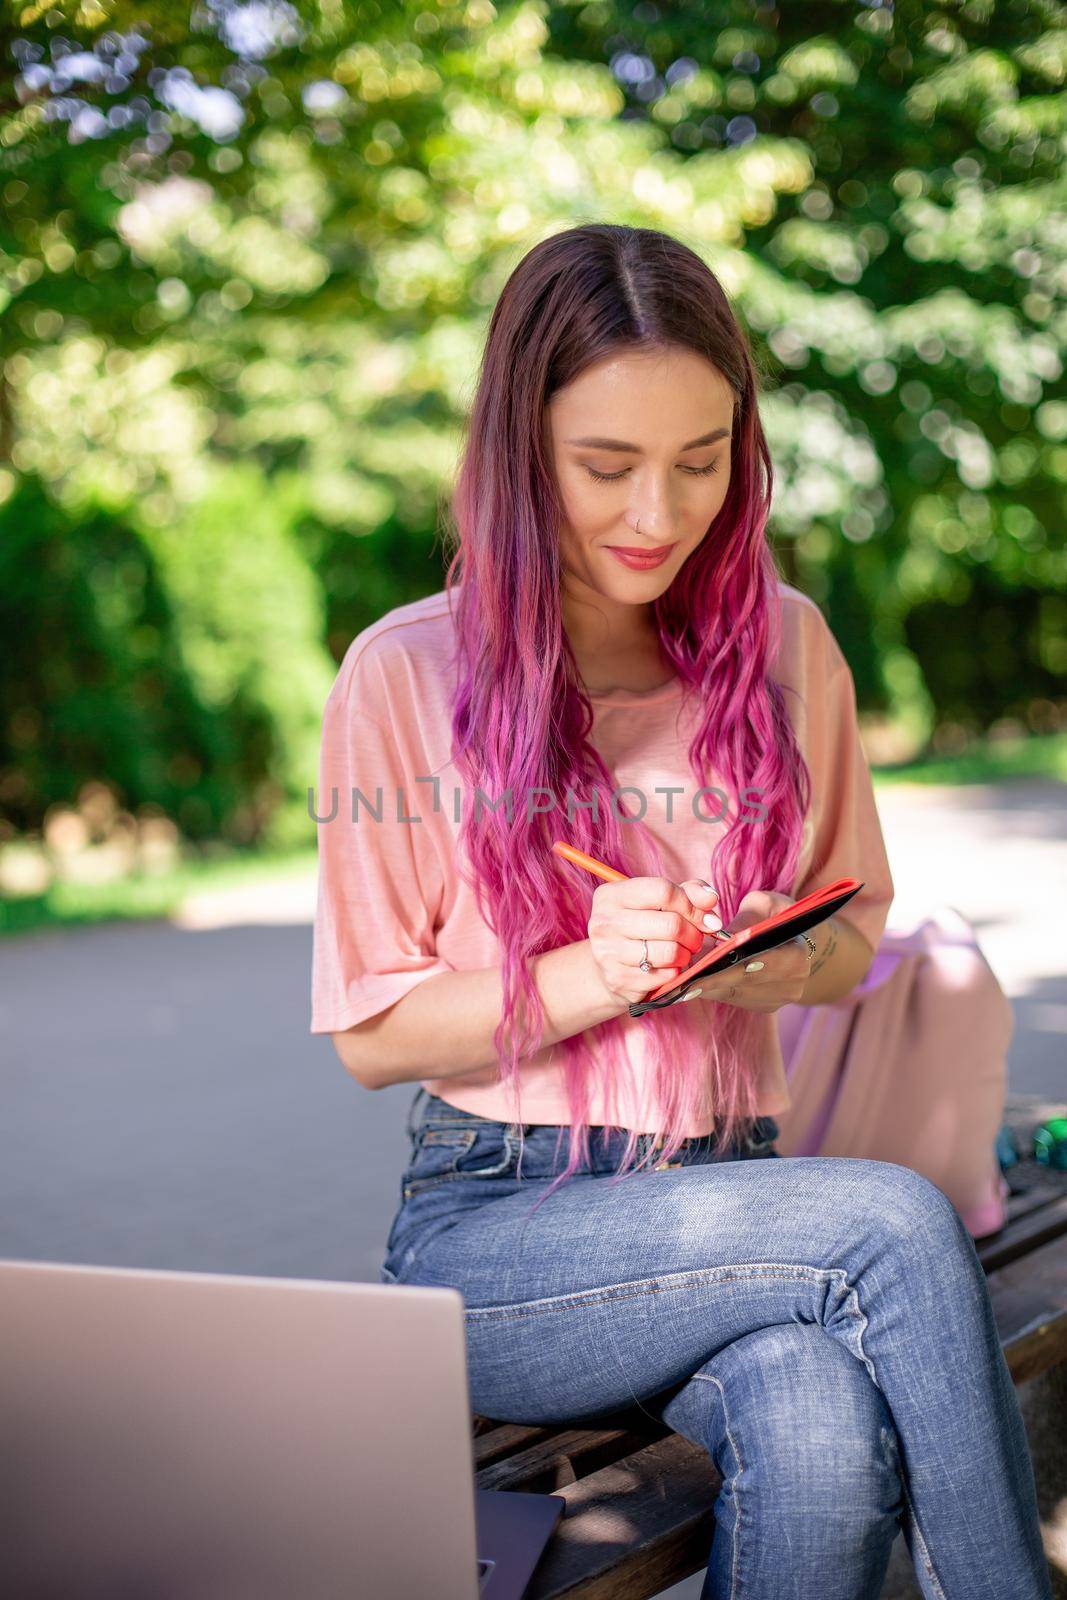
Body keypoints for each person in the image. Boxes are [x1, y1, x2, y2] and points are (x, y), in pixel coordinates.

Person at [310, 224, 1051, 1600]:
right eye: (606, 467)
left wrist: (762, 963)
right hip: (500, 1233)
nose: (659, 512)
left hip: (732, 1193)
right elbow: (371, 1032)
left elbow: (852, 933)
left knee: (821, 1429)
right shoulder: (401, 675)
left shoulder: (788, 647)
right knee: (892, 1223)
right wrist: (594, 974)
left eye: (701, 462)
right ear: (521, 455)